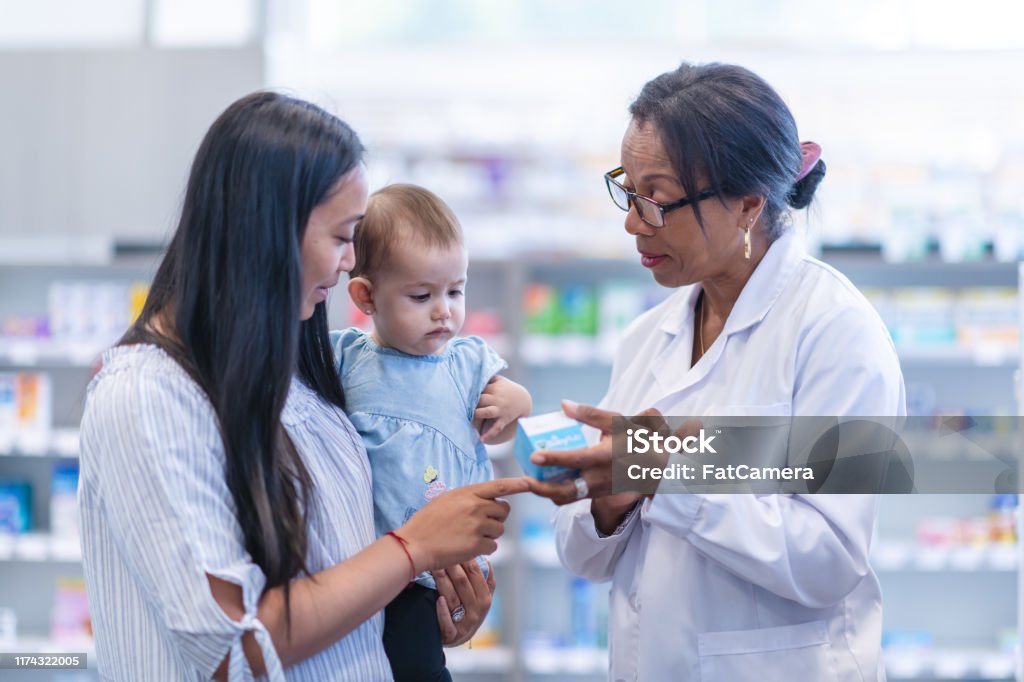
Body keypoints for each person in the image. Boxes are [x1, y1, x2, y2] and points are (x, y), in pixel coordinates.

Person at [77, 91, 528, 682]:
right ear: (268, 231)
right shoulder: (149, 398)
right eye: (343, 237)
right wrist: (413, 550)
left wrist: (425, 605)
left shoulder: (295, 372)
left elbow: (337, 574)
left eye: (654, 197)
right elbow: (232, 647)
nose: (348, 265)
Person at [528, 62, 906, 681]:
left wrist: (669, 479)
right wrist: (609, 500)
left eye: (657, 201)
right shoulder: (647, 338)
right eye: (628, 189)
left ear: (748, 206)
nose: (632, 222)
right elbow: (584, 556)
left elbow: (830, 558)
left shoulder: (837, 334)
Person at [335, 183, 532, 681]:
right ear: (366, 295)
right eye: (422, 296)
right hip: (366, 563)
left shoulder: (467, 364)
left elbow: (504, 422)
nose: (444, 310)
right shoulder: (346, 358)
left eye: (456, 291)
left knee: (419, 665)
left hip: (435, 575)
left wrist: (516, 403)